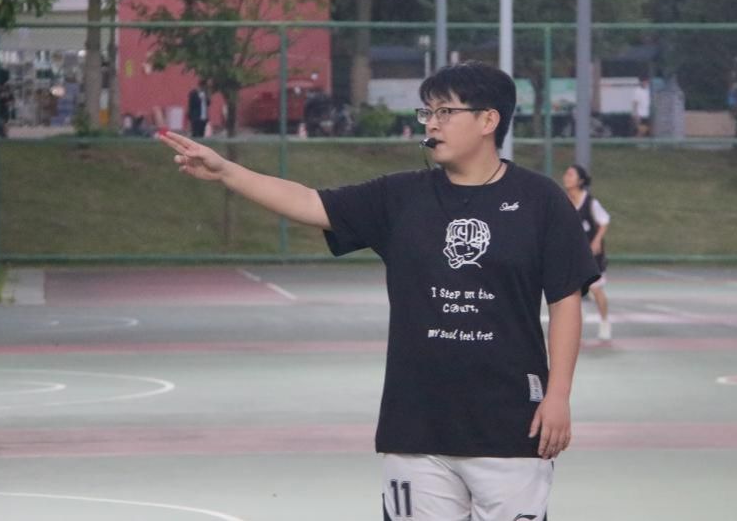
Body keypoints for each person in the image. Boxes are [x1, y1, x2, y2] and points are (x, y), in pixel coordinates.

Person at [159, 61, 596, 521]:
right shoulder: (401, 197)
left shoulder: (541, 201)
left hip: (511, 424)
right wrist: (227, 171)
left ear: (489, 120)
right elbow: (310, 202)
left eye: (445, 112)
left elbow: (565, 301)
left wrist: (558, 395)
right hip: (416, 427)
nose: (431, 123)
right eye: (427, 112)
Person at [562, 163, 613, 341]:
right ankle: (578, 318)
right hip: (573, 254)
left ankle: (605, 321)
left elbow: (604, 221)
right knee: (572, 291)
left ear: (580, 180)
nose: (566, 177)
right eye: (566, 174)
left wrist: (597, 240)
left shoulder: (591, 202)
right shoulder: (563, 201)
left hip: (592, 255)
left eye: (570, 174)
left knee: (596, 289)